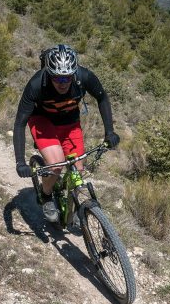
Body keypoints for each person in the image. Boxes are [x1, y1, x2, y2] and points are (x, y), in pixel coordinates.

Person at [13, 44, 120, 222]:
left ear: (74, 72)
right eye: (57, 79)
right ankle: (46, 196)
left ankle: (75, 204)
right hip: (42, 122)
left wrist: (110, 131)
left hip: (70, 123)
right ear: (48, 73)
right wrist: (20, 161)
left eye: (67, 78)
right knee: (55, 165)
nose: (62, 83)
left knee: (78, 169)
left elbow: (102, 97)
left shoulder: (84, 76)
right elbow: (19, 124)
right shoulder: (36, 84)